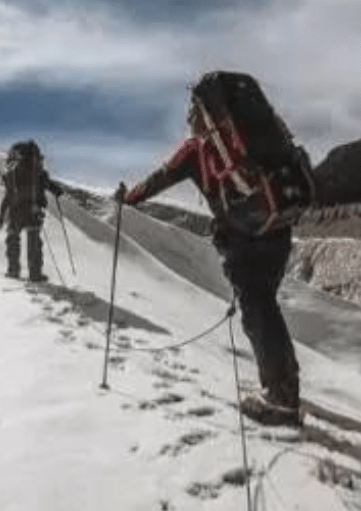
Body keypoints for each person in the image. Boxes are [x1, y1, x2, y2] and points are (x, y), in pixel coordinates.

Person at [118, 81, 301, 424]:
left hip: (243, 240)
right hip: (278, 228)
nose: (189, 118)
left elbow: (160, 177)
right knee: (265, 306)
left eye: (192, 112)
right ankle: (284, 377)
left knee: (258, 312)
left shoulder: (196, 150)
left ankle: (282, 399)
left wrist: (128, 198)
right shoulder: (258, 136)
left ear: (202, 115)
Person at [0, 140, 63, 282]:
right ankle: (35, 274)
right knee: (34, 243)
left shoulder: (11, 173)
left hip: (15, 211)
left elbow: (7, 197)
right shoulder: (37, 171)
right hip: (33, 210)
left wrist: (1, 217)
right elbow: (49, 185)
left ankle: (13, 271)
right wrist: (56, 191)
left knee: (13, 241)